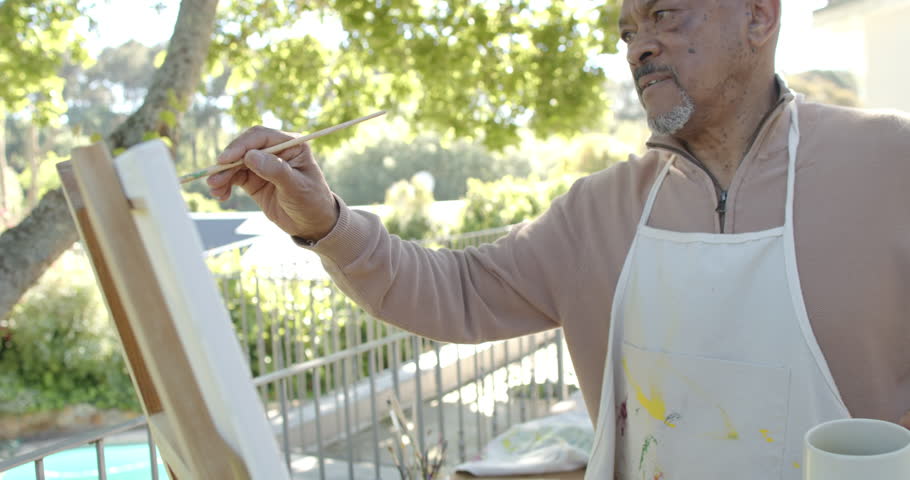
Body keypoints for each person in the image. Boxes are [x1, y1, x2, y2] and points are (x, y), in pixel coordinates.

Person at [208, 0, 910, 477]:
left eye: (663, 14)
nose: (639, 46)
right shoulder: (597, 212)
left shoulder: (890, 164)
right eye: (627, 31)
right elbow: (456, 290)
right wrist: (326, 222)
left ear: (759, 16)